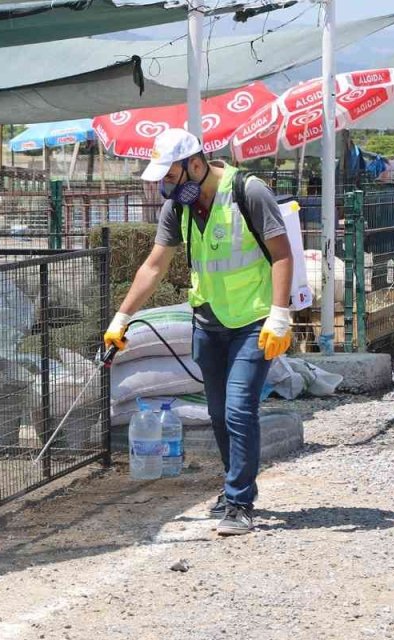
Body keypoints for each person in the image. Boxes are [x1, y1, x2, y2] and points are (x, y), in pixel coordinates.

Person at [103, 129, 293, 536]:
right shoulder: (178, 208)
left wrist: (280, 314)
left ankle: (240, 501)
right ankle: (233, 488)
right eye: (162, 180)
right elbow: (154, 266)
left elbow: (281, 254)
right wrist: (121, 318)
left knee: (241, 409)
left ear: (195, 163)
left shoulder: (248, 192)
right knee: (220, 413)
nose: (165, 186)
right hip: (208, 322)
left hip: (253, 322)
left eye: (170, 176)